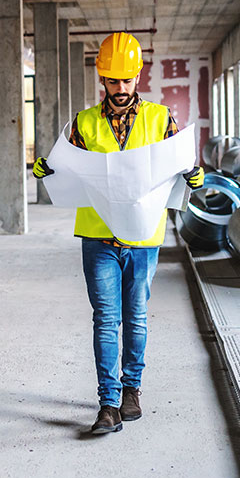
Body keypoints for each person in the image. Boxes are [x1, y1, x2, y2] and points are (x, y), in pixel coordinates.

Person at [32, 32, 203, 435]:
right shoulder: (85, 124)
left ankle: (132, 391)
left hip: (143, 238)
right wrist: (45, 168)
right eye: (113, 80)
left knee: (136, 317)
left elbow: (181, 166)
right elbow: (65, 164)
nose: (120, 88)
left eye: (126, 80)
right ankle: (108, 404)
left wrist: (196, 176)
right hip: (98, 236)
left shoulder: (161, 119)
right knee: (106, 319)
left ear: (137, 76)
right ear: (102, 79)